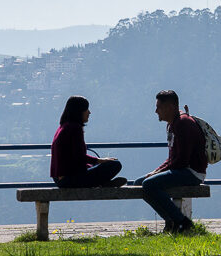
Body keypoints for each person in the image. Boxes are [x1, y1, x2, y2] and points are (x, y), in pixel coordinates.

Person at [134, 89, 206, 233]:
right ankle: (171, 221)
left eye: (159, 107)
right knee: (139, 183)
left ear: (170, 107)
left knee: (148, 184)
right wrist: (155, 172)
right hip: (182, 169)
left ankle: (181, 222)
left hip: (192, 172)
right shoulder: (174, 123)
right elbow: (173, 158)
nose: (156, 111)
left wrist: (156, 173)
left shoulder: (183, 124)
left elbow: (182, 161)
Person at [50, 95, 126, 188]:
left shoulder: (63, 127)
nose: (89, 112)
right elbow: (79, 156)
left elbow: (73, 159)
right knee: (115, 164)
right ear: (79, 111)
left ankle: (104, 183)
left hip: (60, 179)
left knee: (93, 167)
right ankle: (103, 183)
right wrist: (99, 161)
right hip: (69, 180)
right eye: (86, 109)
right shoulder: (74, 128)